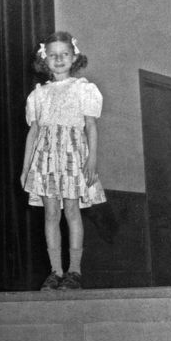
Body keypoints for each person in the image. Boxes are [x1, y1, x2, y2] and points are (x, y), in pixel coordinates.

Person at [20, 31, 106, 291]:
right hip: (46, 160)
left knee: (71, 211)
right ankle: (55, 271)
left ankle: (74, 271)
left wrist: (92, 160)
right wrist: (26, 168)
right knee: (50, 214)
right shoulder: (38, 95)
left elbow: (90, 126)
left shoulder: (84, 89)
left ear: (74, 57)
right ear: (44, 60)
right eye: (53, 55)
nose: (59, 59)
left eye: (65, 54)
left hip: (72, 157)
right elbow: (33, 132)